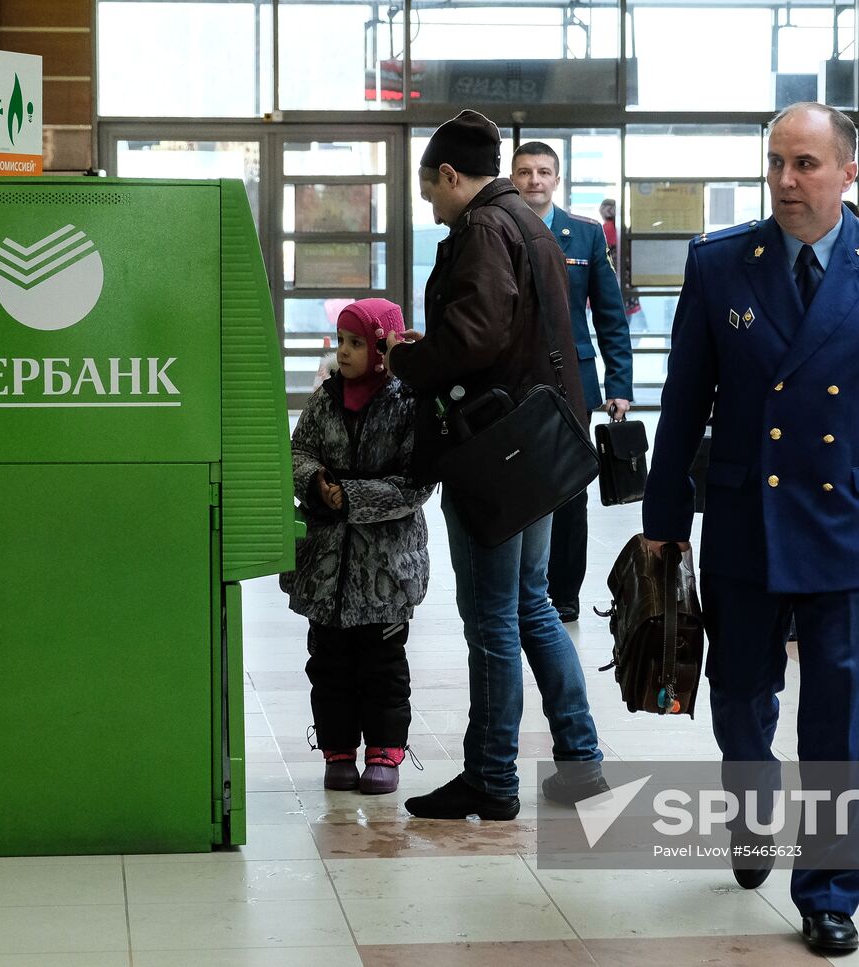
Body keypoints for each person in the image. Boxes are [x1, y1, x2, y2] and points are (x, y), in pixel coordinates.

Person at [641, 102, 859, 954]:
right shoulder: (722, 265)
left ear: (847, 172)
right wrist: (662, 520)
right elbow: (685, 399)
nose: (787, 181)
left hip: (848, 515)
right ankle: (752, 809)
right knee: (738, 695)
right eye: (778, 163)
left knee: (842, 711)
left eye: (806, 165)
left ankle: (829, 889)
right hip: (747, 515)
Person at [384, 110, 605, 820]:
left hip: (494, 453)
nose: (432, 206)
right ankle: (580, 760)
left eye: (430, 192)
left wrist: (406, 358)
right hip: (536, 446)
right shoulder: (530, 224)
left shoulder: (482, 226)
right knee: (532, 604)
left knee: (492, 620)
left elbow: (475, 337)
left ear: (450, 176)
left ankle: (492, 778)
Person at [282, 299, 433, 795]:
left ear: (383, 348)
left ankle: (386, 752)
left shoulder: (407, 403)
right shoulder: (325, 400)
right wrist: (317, 480)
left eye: (356, 343)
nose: (343, 352)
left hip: (386, 567)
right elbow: (297, 452)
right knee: (328, 664)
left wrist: (352, 498)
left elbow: (415, 482)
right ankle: (337, 751)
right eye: (340, 342)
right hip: (326, 564)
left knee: (382, 666)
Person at [509, 141, 634, 622]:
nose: (534, 180)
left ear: (556, 180)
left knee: (569, 487)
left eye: (543, 172)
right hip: (514, 379)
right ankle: (523, 585)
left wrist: (618, 384)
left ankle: (563, 593)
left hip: (572, 382)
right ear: (513, 177)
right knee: (518, 481)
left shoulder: (583, 235)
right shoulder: (499, 230)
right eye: (525, 172)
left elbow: (610, 316)